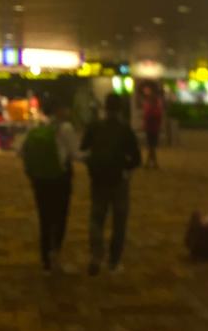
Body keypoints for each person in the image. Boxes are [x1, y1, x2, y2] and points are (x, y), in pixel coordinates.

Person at [82, 94, 142, 275]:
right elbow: (137, 158)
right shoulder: (125, 129)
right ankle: (114, 261)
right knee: (119, 221)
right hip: (118, 180)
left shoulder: (94, 127)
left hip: (98, 179)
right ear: (120, 109)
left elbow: (83, 148)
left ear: (105, 108)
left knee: (96, 218)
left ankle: (96, 255)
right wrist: (126, 167)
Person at [19, 99, 80, 272]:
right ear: (59, 109)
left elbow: (21, 151)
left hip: (39, 179)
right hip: (60, 179)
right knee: (59, 218)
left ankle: (45, 260)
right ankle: (56, 256)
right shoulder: (65, 128)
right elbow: (76, 154)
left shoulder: (36, 128)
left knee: (44, 219)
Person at [142, 86, 165, 170]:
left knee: (151, 146)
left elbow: (147, 116)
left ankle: (150, 163)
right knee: (152, 146)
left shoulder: (149, 105)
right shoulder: (156, 105)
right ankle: (152, 163)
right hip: (153, 128)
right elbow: (157, 116)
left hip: (151, 128)